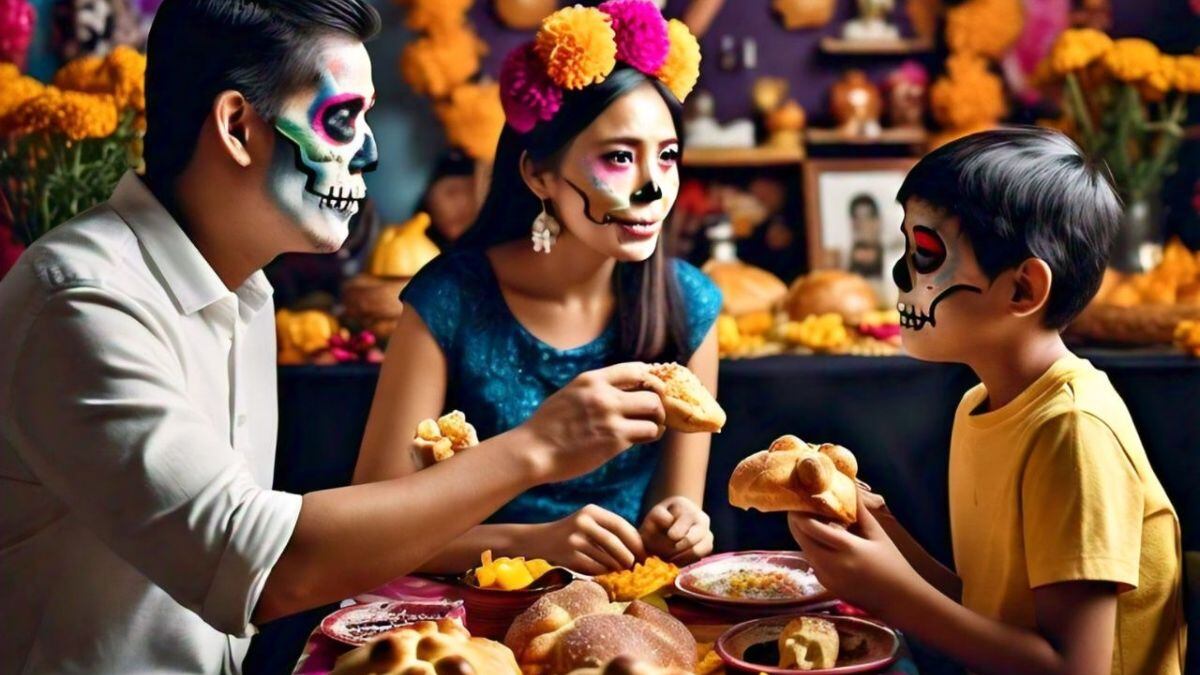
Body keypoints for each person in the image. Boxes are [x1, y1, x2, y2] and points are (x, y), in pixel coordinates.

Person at [0, 1, 667, 672]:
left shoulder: (244, 287)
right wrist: (539, 447)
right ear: (236, 126)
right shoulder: (81, 299)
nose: (371, 152)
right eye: (344, 119)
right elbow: (269, 565)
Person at [789, 128, 1186, 674]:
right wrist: (880, 537)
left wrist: (889, 592)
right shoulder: (981, 402)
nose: (899, 273)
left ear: (1023, 290)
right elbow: (988, 610)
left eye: (926, 253)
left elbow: (1073, 668)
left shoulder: (1072, 429)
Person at [353, 3, 722, 575]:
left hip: (618, 621)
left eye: (668, 156)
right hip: (463, 611)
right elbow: (368, 529)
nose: (654, 187)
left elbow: (674, 509)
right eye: (620, 157)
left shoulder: (689, 305)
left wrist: (678, 526)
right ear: (538, 175)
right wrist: (533, 543)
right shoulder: (449, 298)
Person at [847, 193, 883, 278]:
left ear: (877, 221)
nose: (860, 224)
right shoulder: (843, 260)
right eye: (856, 218)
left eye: (866, 217)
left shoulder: (893, 259)